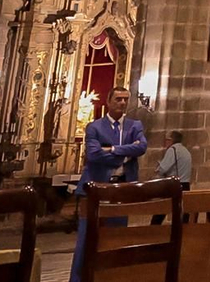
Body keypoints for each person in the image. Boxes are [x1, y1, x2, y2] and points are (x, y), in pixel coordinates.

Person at [71, 85, 148, 281]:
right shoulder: (95, 127)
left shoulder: (134, 125)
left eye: (125, 99)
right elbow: (94, 154)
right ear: (108, 101)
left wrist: (111, 149)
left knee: (116, 236)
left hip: (122, 188)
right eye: (118, 99)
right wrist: (124, 154)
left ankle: (111, 277)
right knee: (87, 238)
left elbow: (142, 147)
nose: (122, 103)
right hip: (95, 188)